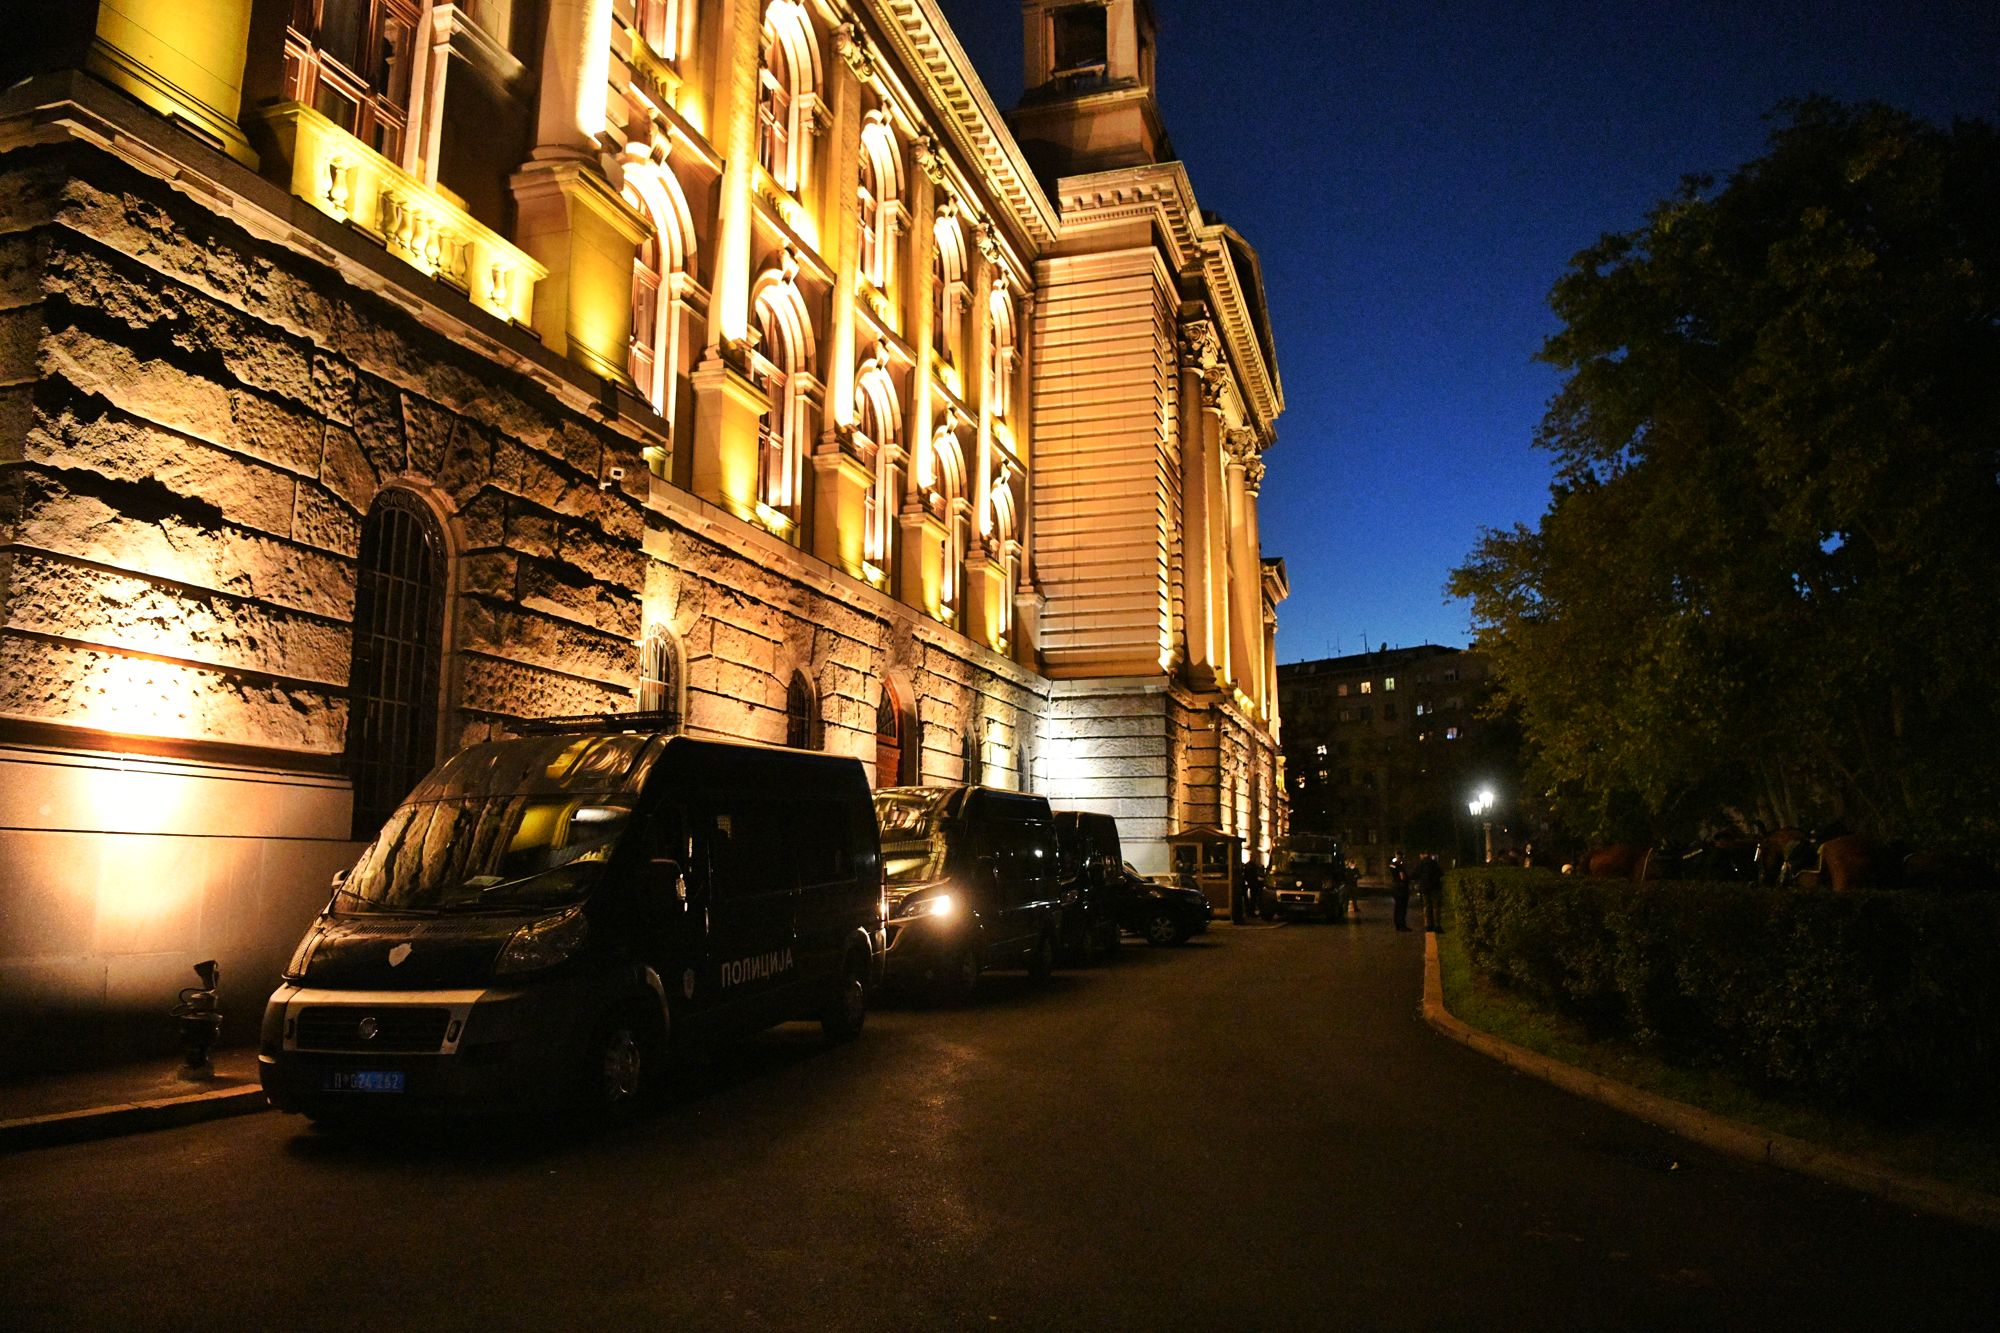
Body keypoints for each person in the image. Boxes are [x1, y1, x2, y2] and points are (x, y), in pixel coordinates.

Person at [1416, 852, 1444, 932]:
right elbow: (1441, 873)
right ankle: (1437, 925)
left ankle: (1428, 925)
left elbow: (1415, 874)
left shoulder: (1421, 864)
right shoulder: (1434, 863)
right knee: (1436, 906)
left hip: (1425, 888)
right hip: (1435, 887)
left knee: (1427, 906)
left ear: (1422, 855)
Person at [1389, 855, 1411, 931]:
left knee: (1397, 907)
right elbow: (1402, 877)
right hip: (1402, 888)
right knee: (1402, 908)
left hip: (1395, 887)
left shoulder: (1392, 865)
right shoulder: (1400, 866)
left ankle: (1397, 925)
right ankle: (1402, 925)